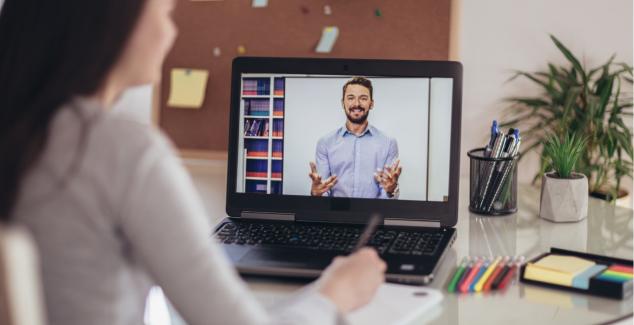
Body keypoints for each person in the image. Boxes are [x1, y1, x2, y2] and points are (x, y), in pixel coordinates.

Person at [0, 1, 387, 324]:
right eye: (165, 13)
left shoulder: (22, 129)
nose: (171, 33)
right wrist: (336, 294)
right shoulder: (122, 151)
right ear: (115, 23)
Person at [309, 77, 403, 199]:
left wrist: (391, 190)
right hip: (335, 214)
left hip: (373, 215)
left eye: (363, 98)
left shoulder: (388, 143)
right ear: (343, 103)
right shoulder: (325, 143)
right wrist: (316, 193)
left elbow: (386, 193)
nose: (356, 104)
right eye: (351, 98)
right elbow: (323, 189)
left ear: (371, 104)